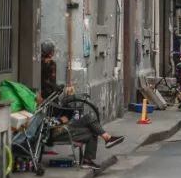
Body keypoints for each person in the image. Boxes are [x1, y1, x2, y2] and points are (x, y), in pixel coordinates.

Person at [41, 41, 125, 169]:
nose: (53, 77)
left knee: (90, 118)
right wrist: (61, 119)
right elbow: (48, 125)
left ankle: (106, 138)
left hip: (63, 124)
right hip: (59, 130)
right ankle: (92, 155)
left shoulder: (51, 99)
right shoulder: (43, 105)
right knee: (93, 131)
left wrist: (64, 114)